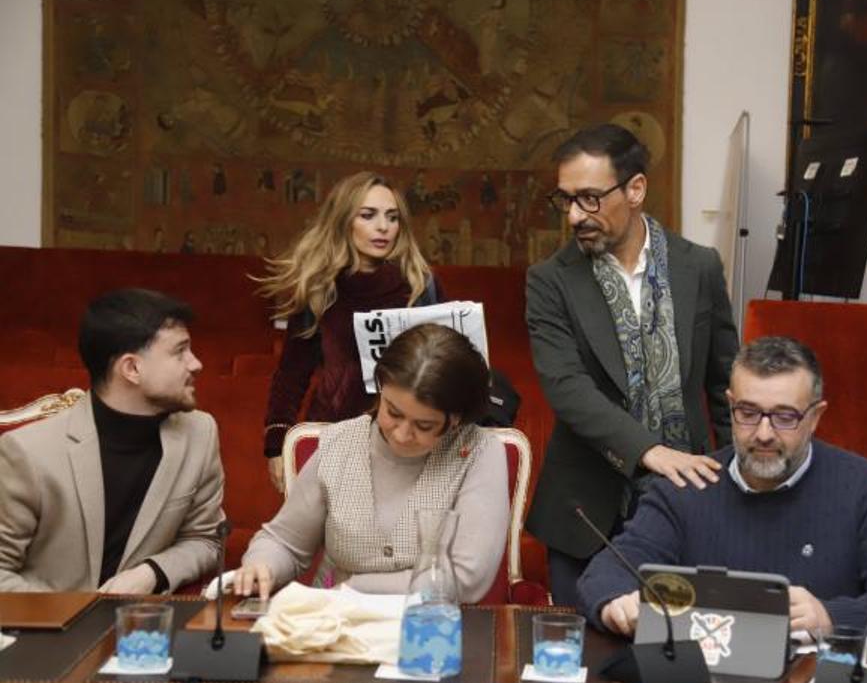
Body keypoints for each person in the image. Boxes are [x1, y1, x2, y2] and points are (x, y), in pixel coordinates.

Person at [577, 336, 867, 640]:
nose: (764, 434)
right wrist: (615, 604)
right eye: (749, 414)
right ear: (731, 407)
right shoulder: (687, 487)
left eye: (785, 417)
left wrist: (830, 616)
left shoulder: (865, 489)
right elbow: (608, 570)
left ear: (816, 417)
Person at [525, 123, 739, 608]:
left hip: (692, 503)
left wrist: (738, 481)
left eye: (590, 198)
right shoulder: (549, 281)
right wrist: (649, 451)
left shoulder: (699, 266)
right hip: (586, 512)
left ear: (636, 189)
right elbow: (566, 387)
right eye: (566, 200)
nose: (575, 216)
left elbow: (725, 384)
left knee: (683, 656)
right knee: (584, 667)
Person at [232, 324, 508, 601]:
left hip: (428, 626)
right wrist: (262, 564)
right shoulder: (341, 442)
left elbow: (465, 577)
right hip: (332, 623)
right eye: (392, 412)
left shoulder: (478, 453)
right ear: (380, 389)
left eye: (424, 425)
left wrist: (354, 589)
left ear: (456, 419)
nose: (401, 435)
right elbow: (285, 542)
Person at [0, 289, 225, 593]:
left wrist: (152, 573)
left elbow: (205, 539)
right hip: (46, 631)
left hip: (144, 627)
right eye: (179, 351)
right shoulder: (27, 453)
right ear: (132, 368)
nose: (196, 364)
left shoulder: (200, 432)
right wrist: (75, 618)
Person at [258, 171, 441, 493]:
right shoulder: (320, 288)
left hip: (407, 440)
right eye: (368, 216)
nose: (383, 227)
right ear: (344, 221)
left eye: (392, 217)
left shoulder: (419, 285)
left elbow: (450, 367)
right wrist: (276, 443)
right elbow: (291, 372)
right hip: (334, 437)